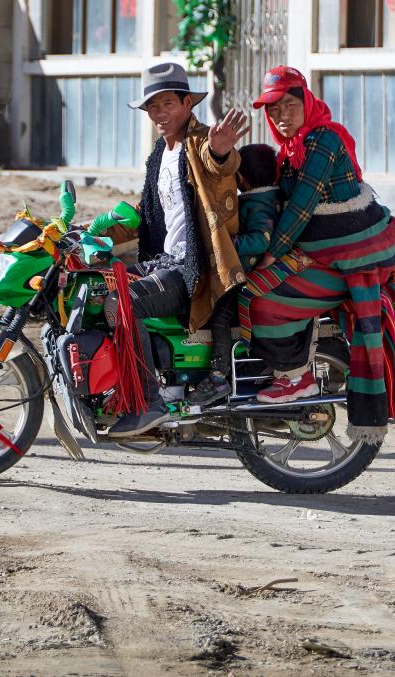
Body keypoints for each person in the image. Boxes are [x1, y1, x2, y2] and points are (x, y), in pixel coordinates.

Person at [241, 66, 395, 444]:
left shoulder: (322, 140)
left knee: (262, 301)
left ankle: (297, 377)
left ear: (307, 101)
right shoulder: (293, 148)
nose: (282, 116)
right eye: (274, 109)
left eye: (289, 105)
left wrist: (270, 255)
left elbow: (301, 206)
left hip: (348, 259)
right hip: (323, 252)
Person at [90, 62, 249, 437]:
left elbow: (218, 165)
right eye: (152, 107)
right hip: (161, 261)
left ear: (187, 103)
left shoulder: (198, 143)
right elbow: (142, 215)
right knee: (98, 294)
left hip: (193, 268)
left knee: (123, 303)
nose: (160, 114)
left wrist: (223, 151)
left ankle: (149, 403)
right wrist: (91, 233)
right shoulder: (160, 153)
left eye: (167, 104)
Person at [188, 143, 281, 406]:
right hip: (252, 273)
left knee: (221, 314)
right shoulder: (270, 196)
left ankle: (219, 374)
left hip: (250, 277)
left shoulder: (259, 203)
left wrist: (226, 243)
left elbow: (261, 240)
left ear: (239, 178)